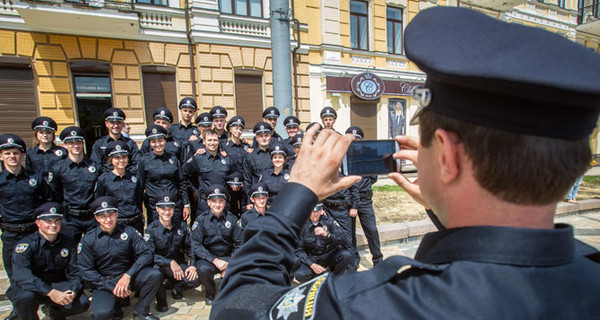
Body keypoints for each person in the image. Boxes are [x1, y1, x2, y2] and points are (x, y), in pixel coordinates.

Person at [210, 7, 600, 319]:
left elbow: (238, 308)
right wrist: (449, 205)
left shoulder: (371, 305)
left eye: (427, 144)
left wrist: (297, 194)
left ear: (447, 157)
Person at [78, 196, 162, 320]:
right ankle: (115, 305)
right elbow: (86, 270)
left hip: (128, 277)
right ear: (96, 218)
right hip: (104, 282)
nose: (108, 220)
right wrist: (111, 286)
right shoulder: (88, 240)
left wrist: (128, 275)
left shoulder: (128, 232)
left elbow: (146, 253)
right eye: (103, 216)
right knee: (101, 314)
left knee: (154, 274)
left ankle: (141, 312)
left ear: (117, 214)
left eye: (111, 215)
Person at [9, 202, 90, 320]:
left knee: (82, 303)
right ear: (38, 223)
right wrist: (50, 292)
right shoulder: (26, 245)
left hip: (56, 283)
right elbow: (22, 275)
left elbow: (76, 272)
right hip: (32, 287)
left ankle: (54, 312)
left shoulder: (68, 243)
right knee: (24, 298)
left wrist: (74, 290)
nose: (53, 225)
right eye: (48, 222)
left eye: (56, 221)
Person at [0, 134, 50, 320]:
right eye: (8, 153)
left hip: (33, 232)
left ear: (22, 156)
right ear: (1, 156)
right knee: (15, 274)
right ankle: (19, 308)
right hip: (11, 234)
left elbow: (47, 201)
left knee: (40, 269)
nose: (12, 156)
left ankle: (46, 304)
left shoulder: (35, 178)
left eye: (16, 153)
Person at [144, 192, 200, 311]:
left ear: (174, 209)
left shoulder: (181, 226)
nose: (167, 212)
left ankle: (176, 288)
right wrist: (169, 262)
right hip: (159, 265)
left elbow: (190, 246)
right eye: (163, 209)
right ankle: (161, 300)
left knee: (195, 279)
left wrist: (193, 265)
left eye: (170, 208)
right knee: (155, 275)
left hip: (178, 265)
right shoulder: (151, 229)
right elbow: (148, 254)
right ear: (157, 209)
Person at [48, 127, 101, 243]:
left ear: (83, 144)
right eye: (71, 143)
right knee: (70, 251)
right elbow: (55, 194)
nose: (75, 146)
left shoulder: (95, 167)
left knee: (95, 248)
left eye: (78, 142)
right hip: (70, 218)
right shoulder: (58, 169)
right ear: (65, 145)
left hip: (92, 217)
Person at [191, 185, 242, 305]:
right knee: (203, 270)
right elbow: (196, 245)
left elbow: (239, 244)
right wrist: (214, 260)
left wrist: (231, 264)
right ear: (208, 202)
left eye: (220, 201)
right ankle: (210, 291)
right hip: (209, 258)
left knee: (238, 269)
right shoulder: (201, 220)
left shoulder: (232, 219)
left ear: (225, 202)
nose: (217, 205)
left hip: (228, 256)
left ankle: (227, 290)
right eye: (214, 201)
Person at [346, 126, 383, 266]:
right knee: (350, 233)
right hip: (349, 200)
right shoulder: (343, 155)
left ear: (362, 140)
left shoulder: (369, 155)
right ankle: (354, 260)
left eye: (357, 139)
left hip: (365, 200)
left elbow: (374, 177)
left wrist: (363, 185)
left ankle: (378, 260)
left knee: (372, 230)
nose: (354, 141)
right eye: (351, 138)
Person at [137, 125, 190, 223]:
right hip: (154, 206)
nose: (158, 144)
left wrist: (186, 204)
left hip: (174, 204)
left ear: (165, 141)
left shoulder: (173, 159)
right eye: (154, 142)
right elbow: (139, 186)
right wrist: (139, 209)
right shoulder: (144, 160)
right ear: (149, 143)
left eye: (160, 140)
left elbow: (181, 182)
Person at [294, 203, 354, 283]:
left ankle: (335, 279)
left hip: (329, 255)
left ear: (322, 210)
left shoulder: (329, 221)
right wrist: (312, 265)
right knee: (300, 275)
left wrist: (328, 235)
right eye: (312, 211)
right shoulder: (302, 226)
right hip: (313, 257)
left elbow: (344, 239)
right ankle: (319, 276)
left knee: (346, 255)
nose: (315, 214)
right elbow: (299, 250)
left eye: (317, 211)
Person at [95, 141, 145, 233]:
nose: (121, 160)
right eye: (117, 158)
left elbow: (138, 200)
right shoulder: (103, 180)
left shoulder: (134, 178)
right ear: (111, 160)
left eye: (124, 157)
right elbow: (99, 202)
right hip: (117, 223)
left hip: (136, 221)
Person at [182, 129, 233, 215]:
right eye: (209, 140)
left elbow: (232, 175)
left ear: (218, 141)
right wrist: (193, 189)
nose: (212, 143)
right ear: (204, 141)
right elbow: (183, 174)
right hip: (205, 204)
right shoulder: (198, 158)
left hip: (223, 202)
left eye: (215, 140)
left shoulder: (226, 158)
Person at [90, 107, 140, 173]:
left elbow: (137, 163)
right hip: (106, 180)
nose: (116, 126)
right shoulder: (99, 144)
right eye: (112, 122)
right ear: (106, 124)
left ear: (122, 124)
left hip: (127, 179)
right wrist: (110, 176)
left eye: (118, 122)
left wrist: (125, 174)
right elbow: (96, 164)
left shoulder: (130, 143)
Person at [242, 122, 274, 204]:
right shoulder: (250, 156)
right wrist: (249, 202)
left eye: (266, 135)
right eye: (261, 136)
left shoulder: (276, 155)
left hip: (274, 198)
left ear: (270, 136)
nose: (264, 138)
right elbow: (247, 181)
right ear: (256, 138)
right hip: (258, 198)